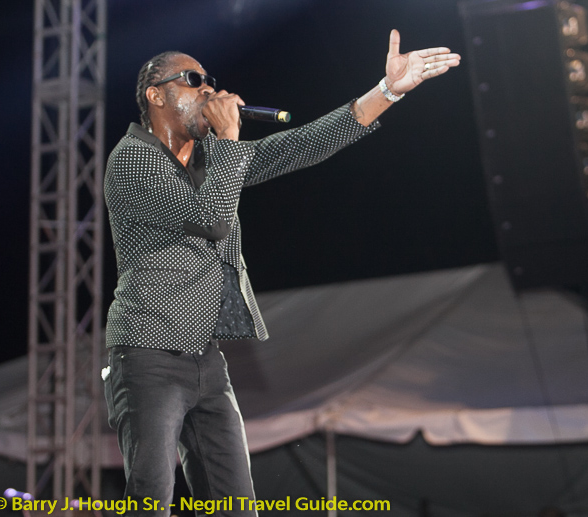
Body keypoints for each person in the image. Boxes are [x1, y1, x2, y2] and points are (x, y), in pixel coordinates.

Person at [102, 30, 461, 516]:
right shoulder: (130, 161)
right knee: (151, 499)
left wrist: (387, 91)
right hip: (146, 354)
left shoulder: (212, 160)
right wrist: (229, 140)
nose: (209, 90)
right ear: (156, 95)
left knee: (235, 504)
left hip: (206, 357)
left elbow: (303, 144)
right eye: (193, 80)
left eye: (211, 81)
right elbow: (211, 219)